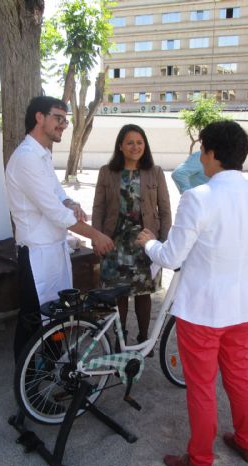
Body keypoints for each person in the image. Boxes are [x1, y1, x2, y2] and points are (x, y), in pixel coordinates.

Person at [137, 120, 248, 466]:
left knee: (201, 387)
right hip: (242, 306)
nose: (200, 156)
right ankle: (246, 439)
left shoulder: (198, 197)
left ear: (210, 154)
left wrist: (148, 242)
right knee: (240, 376)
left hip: (202, 310)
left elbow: (171, 257)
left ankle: (199, 462)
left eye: (202, 150)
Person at [5, 96, 114, 360]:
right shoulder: (26, 158)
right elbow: (55, 213)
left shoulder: (41, 155)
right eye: (58, 117)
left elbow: (57, 196)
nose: (63, 124)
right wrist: (95, 235)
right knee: (33, 322)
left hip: (54, 250)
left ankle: (55, 372)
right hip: (36, 255)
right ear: (39, 118)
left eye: (66, 119)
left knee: (59, 318)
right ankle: (27, 389)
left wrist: (71, 201)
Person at [92, 124, 171, 347]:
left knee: (144, 293)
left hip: (145, 243)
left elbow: (164, 209)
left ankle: (144, 337)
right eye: (130, 142)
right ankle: (120, 336)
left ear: (145, 145)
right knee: (119, 294)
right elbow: (98, 207)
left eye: (139, 142)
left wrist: (163, 241)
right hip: (114, 242)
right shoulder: (107, 172)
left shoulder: (155, 172)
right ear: (120, 146)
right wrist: (96, 237)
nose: (135, 147)